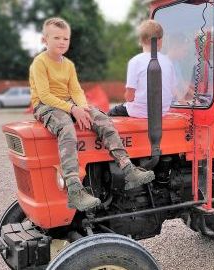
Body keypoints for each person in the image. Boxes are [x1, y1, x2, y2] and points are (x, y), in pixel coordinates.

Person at [29, 17, 155, 212]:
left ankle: (127, 168)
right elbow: (45, 95)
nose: (62, 42)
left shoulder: (68, 65)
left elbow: (76, 90)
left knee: (103, 118)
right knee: (67, 129)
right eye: (57, 38)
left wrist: (83, 108)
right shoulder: (40, 62)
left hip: (69, 103)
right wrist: (73, 110)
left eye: (66, 38)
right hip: (45, 105)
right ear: (44, 40)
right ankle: (74, 189)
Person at [108, 20, 175, 118]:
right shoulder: (168, 62)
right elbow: (172, 91)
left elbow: (129, 97)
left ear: (140, 41)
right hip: (161, 112)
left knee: (112, 112)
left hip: (138, 112)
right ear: (160, 41)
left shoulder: (135, 61)